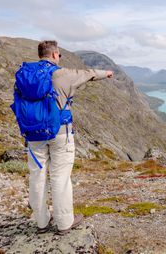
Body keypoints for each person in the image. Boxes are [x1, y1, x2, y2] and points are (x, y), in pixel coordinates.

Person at [27, 40, 113, 235]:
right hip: (59, 132)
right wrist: (106, 73)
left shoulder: (26, 75)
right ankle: (64, 223)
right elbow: (88, 74)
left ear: (41, 54)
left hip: (33, 134)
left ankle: (41, 222)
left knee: (37, 176)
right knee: (60, 177)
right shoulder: (62, 74)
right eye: (59, 55)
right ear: (55, 54)